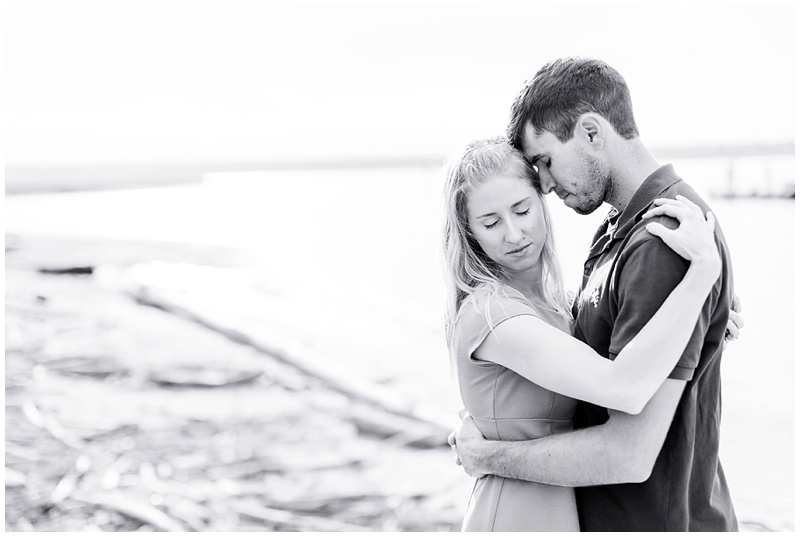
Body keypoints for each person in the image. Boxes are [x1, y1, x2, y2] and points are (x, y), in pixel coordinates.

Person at [450, 57, 738, 531]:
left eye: (544, 160)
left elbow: (629, 452)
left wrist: (489, 455)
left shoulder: (664, 240)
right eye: (490, 222)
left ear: (590, 132)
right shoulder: (614, 234)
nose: (543, 183)